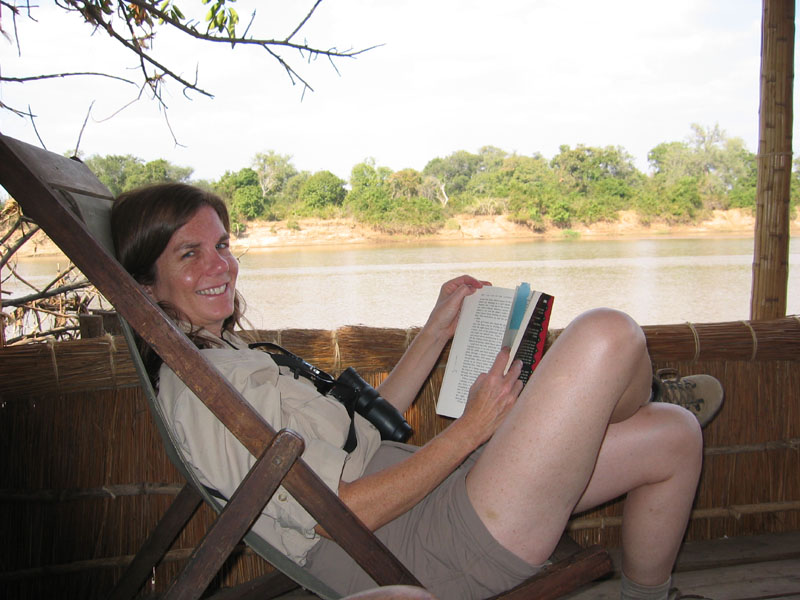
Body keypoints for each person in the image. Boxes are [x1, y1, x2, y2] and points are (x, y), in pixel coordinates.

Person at [111, 183, 723, 600]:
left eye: (221, 245)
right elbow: (337, 517)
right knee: (607, 334)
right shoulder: (203, 390)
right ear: (145, 282)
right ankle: (632, 392)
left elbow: (364, 425)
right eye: (190, 254)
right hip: (425, 543)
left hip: (441, 497)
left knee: (673, 435)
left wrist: (437, 328)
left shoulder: (230, 355)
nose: (220, 266)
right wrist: (472, 430)